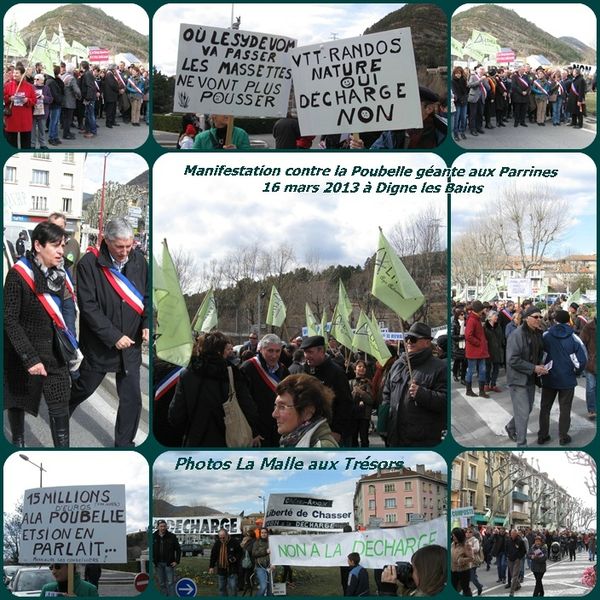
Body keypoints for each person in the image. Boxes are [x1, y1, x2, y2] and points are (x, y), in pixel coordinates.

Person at [69, 218, 149, 447]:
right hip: (101, 347)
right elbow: (89, 307)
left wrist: (146, 323)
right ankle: (60, 411)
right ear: (107, 241)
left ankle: (124, 444)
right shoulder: (89, 264)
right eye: (119, 247)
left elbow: (146, 297)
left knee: (132, 399)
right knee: (84, 388)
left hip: (131, 346)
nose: (125, 252)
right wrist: (114, 336)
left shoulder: (139, 261)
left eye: (129, 245)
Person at [4, 222, 72, 447]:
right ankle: (18, 443)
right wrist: (30, 358)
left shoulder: (60, 275)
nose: (61, 251)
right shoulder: (18, 275)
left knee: (60, 407)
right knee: (18, 401)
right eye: (55, 245)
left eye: (62, 245)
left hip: (54, 356)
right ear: (38, 245)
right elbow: (9, 320)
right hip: (24, 355)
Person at [168, 331, 260, 446]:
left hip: (195, 441)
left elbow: (176, 415)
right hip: (229, 441)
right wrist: (254, 431)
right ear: (221, 351)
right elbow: (249, 407)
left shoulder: (187, 374)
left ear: (201, 349)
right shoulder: (233, 374)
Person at [381, 322, 446, 446]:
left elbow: (445, 401)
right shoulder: (398, 364)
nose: (409, 342)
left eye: (413, 339)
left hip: (421, 440)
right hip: (394, 437)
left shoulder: (440, 367)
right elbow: (386, 394)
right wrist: (384, 423)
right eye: (407, 338)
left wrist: (422, 394)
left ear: (427, 342)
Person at [538, 309, 587, 445]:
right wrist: (576, 373)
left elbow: (540, 354)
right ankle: (563, 436)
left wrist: (540, 369)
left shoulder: (546, 335)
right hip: (567, 379)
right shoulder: (574, 338)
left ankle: (543, 435)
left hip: (549, 377)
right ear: (568, 321)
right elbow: (582, 360)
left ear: (555, 320)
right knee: (565, 409)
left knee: (545, 407)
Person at [504, 306, 548, 446]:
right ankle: (521, 444)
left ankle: (511, 427)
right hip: (518, 379)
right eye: (536, 317)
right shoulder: (517, 335)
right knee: (523, 412)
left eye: (540, 317)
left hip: (530, 378)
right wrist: (533, 367)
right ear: (526, 318)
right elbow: (512, 360)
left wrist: (541, 365)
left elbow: (539, 352)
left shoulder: (537, 333)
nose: (539, 319)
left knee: (527, 408)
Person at [301, 335, 353, 445]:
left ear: (321, 351)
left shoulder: (336, 372)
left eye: (310, 352)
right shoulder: (303, 371)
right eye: (305, 352)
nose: (307, 356)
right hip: (306, 430)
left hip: (330, 431)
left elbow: (345, 404)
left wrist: (337, 430)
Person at [240, 333, 289, 447]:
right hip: (258, 431)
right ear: (261, 349)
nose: (274, 355)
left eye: (277, 351)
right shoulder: (248, 368)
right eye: (270, 351)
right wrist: (253, 431)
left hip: (278, 428)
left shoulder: (283, 370)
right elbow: (244, 402)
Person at [273, 373, 339, 447]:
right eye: (275, 406)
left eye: (282, 407)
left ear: (307, 413)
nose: (274, 414)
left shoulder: (322, 449)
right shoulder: (291, 440)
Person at [3, 64, 37, 148]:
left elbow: (34, 100)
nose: (14, 74)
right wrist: (9, 98)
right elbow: (3, 97)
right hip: (12, 117)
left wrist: (27, 100)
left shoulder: (29, 87)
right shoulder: (8, 85)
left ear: (22, 74)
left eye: (17, 73)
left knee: (25, 143)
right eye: (14, 72)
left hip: (24, 118)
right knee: (11, 142)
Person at [465, 301, 489, 397]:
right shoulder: (472, 319)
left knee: (482, 370)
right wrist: (479, 343)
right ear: (479, 309)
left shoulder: (475, 318)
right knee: (471, 370)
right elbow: (468, 336)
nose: (484, 310)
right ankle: (469, 390)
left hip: (478, 349)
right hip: (475, 349)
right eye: (482, 308)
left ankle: (481, 391)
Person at [209, 529, 242, 596]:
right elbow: (213, 555)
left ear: (227, 535)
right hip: (221, 569)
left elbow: (240, 552)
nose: (222, 539)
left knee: (233, 587)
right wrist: (211, 566)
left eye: (223, 537)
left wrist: (235, 558)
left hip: (232, 569)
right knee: (221, 588)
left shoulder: (234, 542)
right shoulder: (217, 543)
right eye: (220, 537)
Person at [153, 519, 181, 596]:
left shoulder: (172, 536)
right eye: (161, 526)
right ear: (157, 527)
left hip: (169, 563)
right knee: (161, 583)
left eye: (164, 526)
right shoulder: (153, 537)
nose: (163, 528)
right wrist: (153, 560)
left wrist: (177, 561)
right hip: (158, 564)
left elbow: (178, 549)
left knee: (170, 582)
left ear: (166, 527)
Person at [349, 359, 374, 447]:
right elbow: (348, 400)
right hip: (353, 414)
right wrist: (354, 393)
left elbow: (371, 400)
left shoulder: (369, 383)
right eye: (359, 366)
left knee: (364, 438)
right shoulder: (350, 382)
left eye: (364, 367)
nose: (362, 368)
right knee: (353, 438)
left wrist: (362, 393)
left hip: (364, 415)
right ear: (355, 369)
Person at [580, 317, 596, 419]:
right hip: (592, 363)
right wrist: (587, 359)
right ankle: (592, 410)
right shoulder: (589, 327)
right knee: (591, 387)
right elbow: (582, 345)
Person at [483, 310, 503, 392]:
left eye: (497, 316)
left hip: (497, 350)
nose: (497, 317)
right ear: (490, 317)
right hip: (488, 350)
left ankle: (493, 384)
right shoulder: (485, 327)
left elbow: (501, 337)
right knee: (487, 368)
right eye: (495, 316)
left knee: (496, 368)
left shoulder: (498, 326)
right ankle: (486, 384)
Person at [61, 64, 81, 140]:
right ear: (72, 70)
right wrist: (79, 96)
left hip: (63, 100)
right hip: (70, 101)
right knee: (68, 119)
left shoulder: (62, 76)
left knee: (65, 118)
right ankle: (66, 134)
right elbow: (77, 90)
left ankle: (67, 132)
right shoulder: (71, 78)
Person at [451, 528, 473, 596]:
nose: (453, 537)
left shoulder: (466, 544)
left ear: (459, 536)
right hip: (453, 570)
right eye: (452, 535)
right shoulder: (452, 544)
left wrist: (461, 560)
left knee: (465, 588)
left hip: (463, 570)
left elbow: (471, 558)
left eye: (454, 536)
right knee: (453, 587)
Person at [79, 60, 98, 138]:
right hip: (87, 97)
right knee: (87, 114)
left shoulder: (87, 74)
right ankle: (87, 129)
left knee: (90, 114)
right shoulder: (86, 74)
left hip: (89, 98)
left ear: (82, 67)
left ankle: (93, 131)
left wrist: (88, 98)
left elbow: (90, 87)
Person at [252, 527, 272, 596]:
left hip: (270, 567)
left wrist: (274, 563)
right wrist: (265, 551)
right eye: (262, 533)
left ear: (267, 533)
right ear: (260, 534)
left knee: (270, 588)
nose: (264, 534)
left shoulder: (271, 542)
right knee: (263, 587)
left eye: (265, 532)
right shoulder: (256, 542)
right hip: (260, 567)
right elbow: (254, 553)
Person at [505, 529, 526, 596]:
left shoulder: (520, 541)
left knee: (514, 575)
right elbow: (506, 549)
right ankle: (518, 585)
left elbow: (524, 551)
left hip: (517, 560)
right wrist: (507, 556)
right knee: (512, 574)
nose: (512, 535)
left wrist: (519, 557)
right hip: (510, 559)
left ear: (516, 534)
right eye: (511, 533)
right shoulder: (508, 540)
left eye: (514, 533)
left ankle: (512, 592)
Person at [451, 66, 468, 140]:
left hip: (464, 102)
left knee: (463, 118)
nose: (458, 75)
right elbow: (455, 92)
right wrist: (461, 99)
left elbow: (466, 91)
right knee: (456, 119)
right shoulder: (452, 81)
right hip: (457, 102)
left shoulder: (463, 80)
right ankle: (455, 134)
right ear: (454, 73)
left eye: (460, 73)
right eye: (457, 73)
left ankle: (462, 132)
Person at [466, 528, 483, 595]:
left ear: (472, 533)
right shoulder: (464, 540)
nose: (467, 533)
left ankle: (479, 587)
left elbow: (476, 549)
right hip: (465, 561)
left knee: (472, 578)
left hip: (472, 562)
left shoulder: (474, 540)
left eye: (469, 532)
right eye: (466, 532)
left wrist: (468, 549)